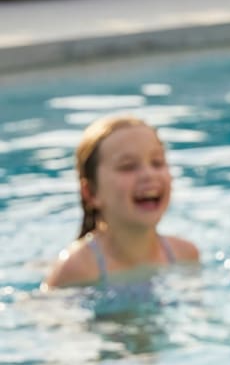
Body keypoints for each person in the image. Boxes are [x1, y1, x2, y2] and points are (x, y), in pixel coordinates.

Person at [43, 115, 199, 289]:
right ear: (91, 193)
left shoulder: (184, 255)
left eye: (157, 163)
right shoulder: (77, 269)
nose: (149, 174)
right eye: (128, 166)